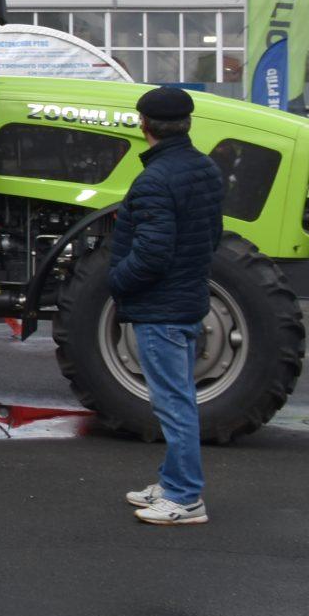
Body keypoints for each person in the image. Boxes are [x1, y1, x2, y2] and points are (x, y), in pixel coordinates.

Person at [114, 85, 228, 526]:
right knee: (178, 398)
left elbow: (151, 255)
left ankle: (185, 498)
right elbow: (211, 236)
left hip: (160, 308)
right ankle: (172, 481)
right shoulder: (205, 168)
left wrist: (115, 280)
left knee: (173, 404)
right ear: (188, 122)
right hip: (189, 297)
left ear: (144, 125)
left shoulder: (155, 180)